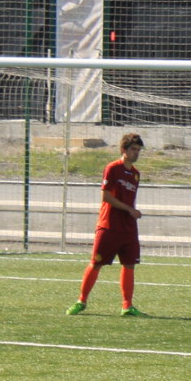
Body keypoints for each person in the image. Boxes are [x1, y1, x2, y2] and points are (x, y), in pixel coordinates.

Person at [67, 133, 146, 317]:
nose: (136, 153)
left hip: (128, 227)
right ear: (123, 150)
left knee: (129, 265)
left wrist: (132, 212)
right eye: (133, 149)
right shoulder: (112, 168)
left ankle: (127, 306)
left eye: (138, 150)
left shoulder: (136, 174)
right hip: (109, 225)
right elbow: (106, 196)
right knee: (96, 263)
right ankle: (81, 301)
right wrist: (129, 209)